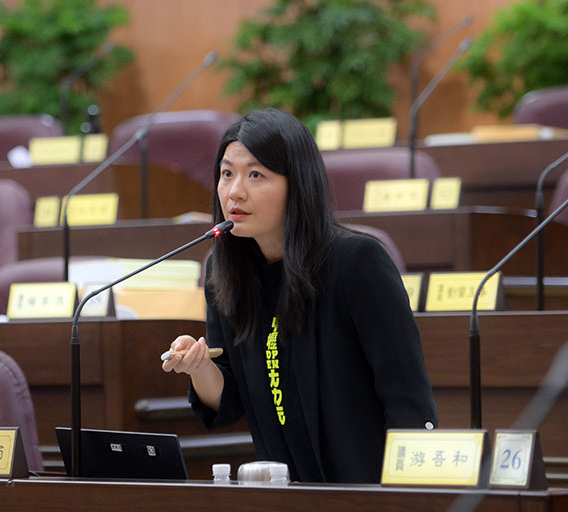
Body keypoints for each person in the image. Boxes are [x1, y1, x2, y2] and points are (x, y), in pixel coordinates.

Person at [162, 108, 438, 484]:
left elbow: (408, 400)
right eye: (226, 174)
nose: (234, 191)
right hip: (285, 494)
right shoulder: (223, 273)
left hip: (368, 491)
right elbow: (227, 405)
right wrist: (200, 369)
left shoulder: (356, 263)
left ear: (298, 183)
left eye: (255, 175)